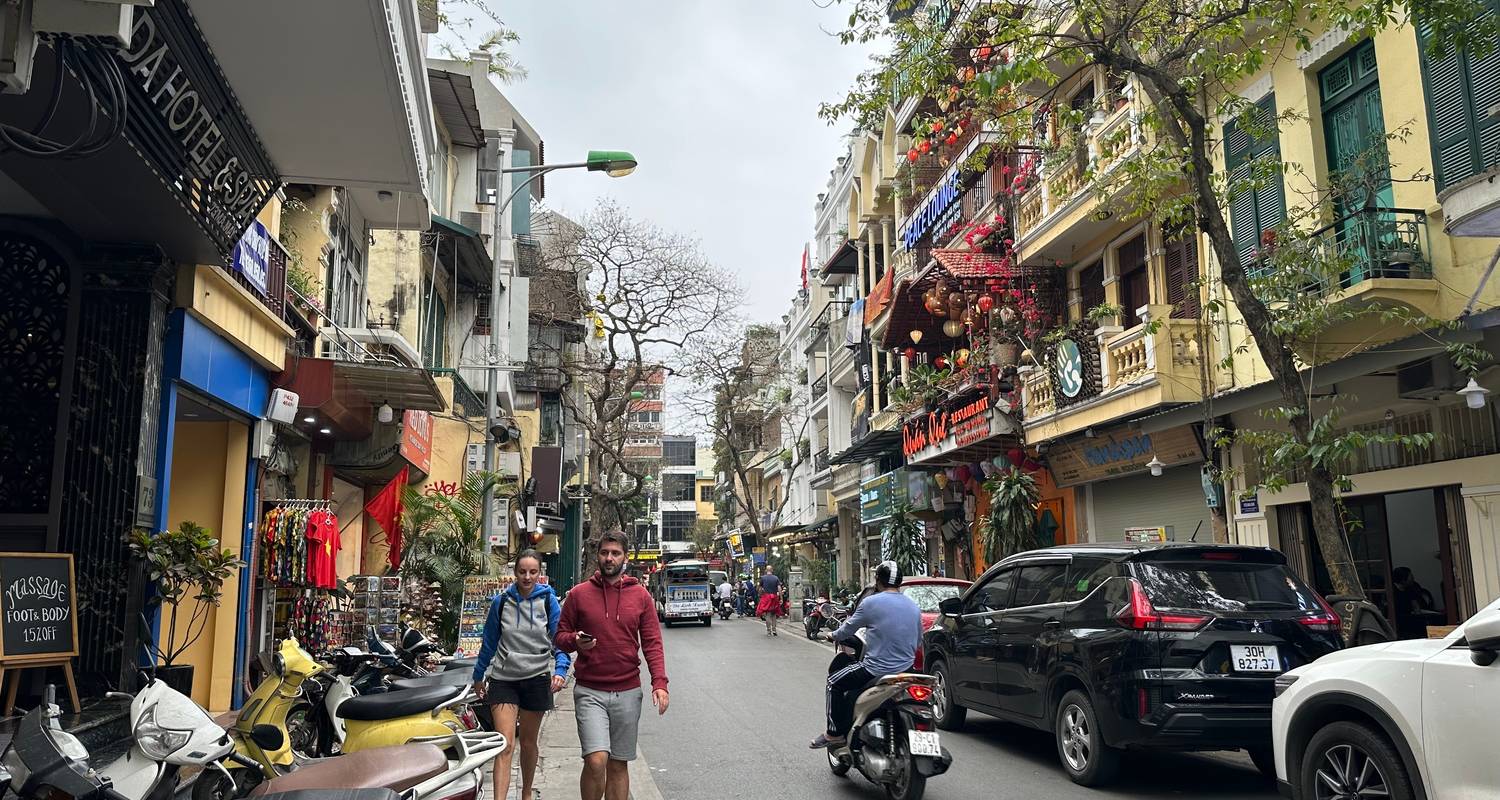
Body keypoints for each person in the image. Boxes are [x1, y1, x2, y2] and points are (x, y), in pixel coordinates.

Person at [555, 531, 670, 800]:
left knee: (618, 763)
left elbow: (652, 642)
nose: (609, 558)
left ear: (625, 558)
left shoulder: (641, 596)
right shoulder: (579, 595)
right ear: (598, 556)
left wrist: (660, 683)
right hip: (589, 691)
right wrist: (575, 641)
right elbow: (560, 637)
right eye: (605, 552)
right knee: (596, 761)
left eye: (615, 553)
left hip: (628, 691)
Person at [471, 550, 569, 800]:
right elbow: (489, 642)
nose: (527, 577)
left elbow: (559, 639)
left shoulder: (548, 601)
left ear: (539, 573)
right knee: (505, 743)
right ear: (514, 573)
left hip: (536, 678)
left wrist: (560, 669)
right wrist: (478, 675)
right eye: (522, 571)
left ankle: (526, 792)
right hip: (504, 679)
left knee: (528, 742)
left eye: (532, 572)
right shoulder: (501, 602)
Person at [809, 560, 921, 749]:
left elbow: (847, 629)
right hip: (907, 670)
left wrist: (832, 635)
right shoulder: (913, 606)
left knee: (833, 682)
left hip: (876, 670)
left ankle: (834, 734)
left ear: (878, 580)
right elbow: (918, 641)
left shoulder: (870, 603)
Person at [1392, 566, 1438, 640]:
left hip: (1412, 616)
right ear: (1403, 580)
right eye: (1411, 577)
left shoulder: (1412, 587)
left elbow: (1416, 606)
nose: (1413, 578)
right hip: (1398, 619)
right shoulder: (1391, 591)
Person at [756, 565, 783, 636]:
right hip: (774, 597)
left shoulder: (763, 578)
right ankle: (774, 630)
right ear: (772, 570)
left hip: (766, 597)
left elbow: (760, 588)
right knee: (774, 614)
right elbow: (779, 588)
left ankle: (769, 631)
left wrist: (759, 595)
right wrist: (781, 598)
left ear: (766, 570)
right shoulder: (776, 578)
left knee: (768, 614)